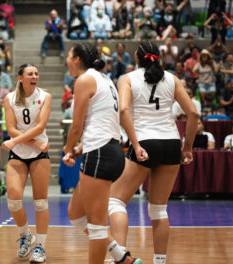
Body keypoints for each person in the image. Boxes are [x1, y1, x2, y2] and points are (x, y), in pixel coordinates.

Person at [108, 41, 198, 264]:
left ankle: (118, 258)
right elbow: (193, 114)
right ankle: (160, 261)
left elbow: (125, 110)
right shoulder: (172, 79)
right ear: (158, 57)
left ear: (137, 57)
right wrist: (187, 148)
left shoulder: (127, 79)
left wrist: (135, 144)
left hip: (146, 141)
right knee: (159, 209)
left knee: (115, 202)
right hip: (171, 143)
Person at [62, 42, 140, 264]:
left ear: (77, 59)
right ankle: (122, 258)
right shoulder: (104, 80)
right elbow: (101, 122)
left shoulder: (85, 80)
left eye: (69, 55)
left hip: (101, 153)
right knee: (76, 215)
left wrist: (68, 149)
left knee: (96, 227)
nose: (67, 59)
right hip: (106, 149)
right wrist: (79, 149)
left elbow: (76, 127)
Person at [2, 64, 52, 263]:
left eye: (37, 73)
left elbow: (40, 126)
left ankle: (40, 246)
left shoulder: (45, 96)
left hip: (39, 155)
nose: (35, 76)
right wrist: (32, 143)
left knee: (40, 203)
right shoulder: (10, 98)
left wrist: (15, 141)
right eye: (30, 74)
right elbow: (11, 128)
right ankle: (25, 235)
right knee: (13, 202)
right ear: (20, 78)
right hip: (21, 152)